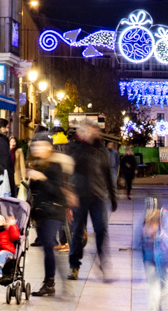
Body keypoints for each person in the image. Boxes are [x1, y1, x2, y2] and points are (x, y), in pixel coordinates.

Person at [66, 119, 117, 281]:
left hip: (98, 196)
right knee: (77, 232)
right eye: (91, 130)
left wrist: (113, 196)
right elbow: (72, 166)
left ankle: (104, 263)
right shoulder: (74, 146)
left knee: (102, 230)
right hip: (79, 196)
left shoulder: (100, 149)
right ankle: (74, 266)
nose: (96, 133)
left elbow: (107, 173)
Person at [23, 132, 72, 298]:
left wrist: (41, 178)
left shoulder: (54, 166)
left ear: (49, 148)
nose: (38, 149)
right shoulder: (36, 164)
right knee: (47, 248)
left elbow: (57, 191)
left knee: (49, 247)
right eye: (35, 146)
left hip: (54, 211)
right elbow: (35, 192)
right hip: (41, 212)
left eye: (42, 146)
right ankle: (50, 282)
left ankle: (50, 282)